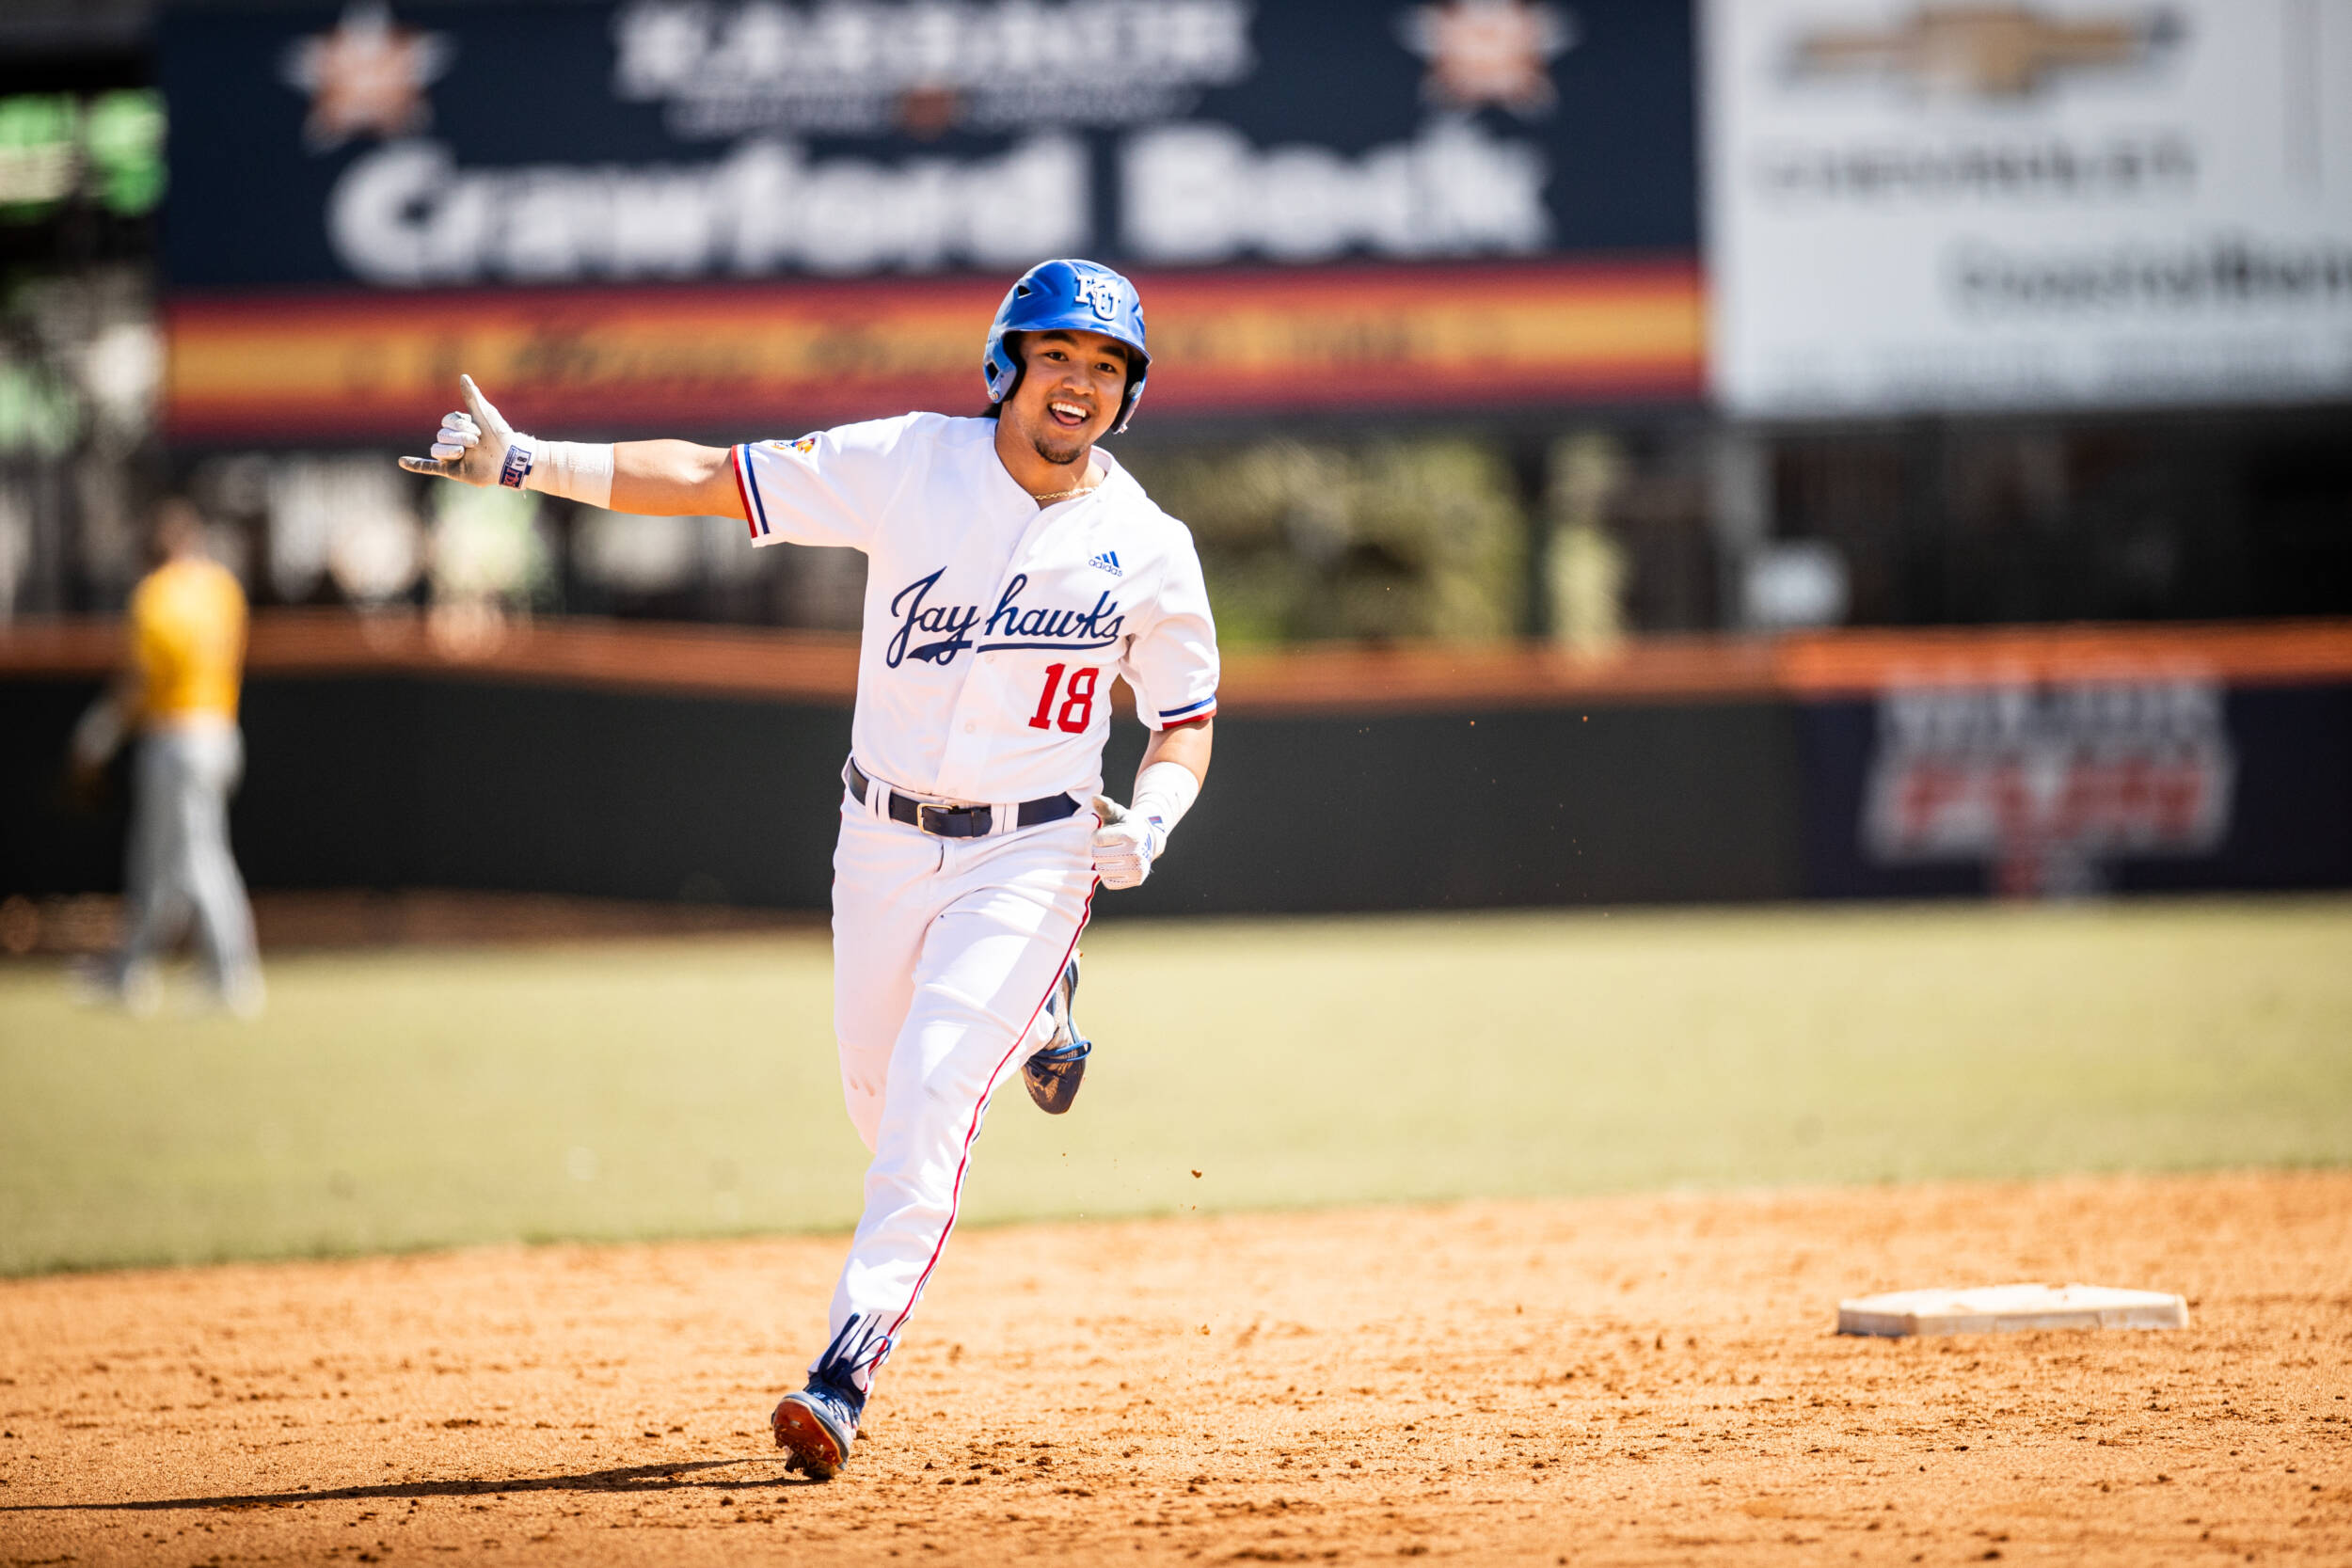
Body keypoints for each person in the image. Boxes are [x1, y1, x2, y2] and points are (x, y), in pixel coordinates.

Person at [399, 259, 1218, 1479]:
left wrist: (1151, 816)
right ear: (1008, 363)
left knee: (937, 1093)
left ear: (1128, 393)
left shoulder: (1147, 544)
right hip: (882, 834)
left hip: (1037, 849)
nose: (1079, 383)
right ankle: (1041, 1007)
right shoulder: (907, 464)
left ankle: (843, 1367)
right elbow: (708, 480)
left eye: (1106, 366)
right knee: (881, 1104)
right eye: (1058, 355)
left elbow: (1185, 718)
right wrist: (528, 461)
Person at [71, 498, 264, 1017]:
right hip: (220, 732)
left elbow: (137, 683)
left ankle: (233, 976)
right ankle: (131, 970)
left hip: (176, 739)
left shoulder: (155, 596)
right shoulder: (222, 589)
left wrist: (99, 734)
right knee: (156, 862)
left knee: (199, 858)